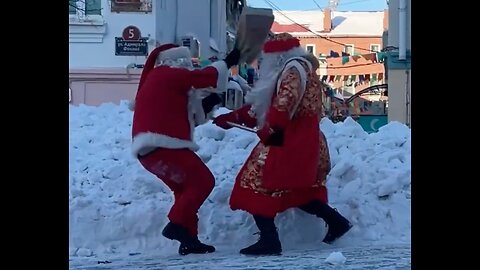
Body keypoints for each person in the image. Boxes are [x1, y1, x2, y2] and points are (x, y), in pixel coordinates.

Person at [213, 33, 352, 255]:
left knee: (255, 183)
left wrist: (272, 127)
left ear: (277, 55)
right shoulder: (301, 69)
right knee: (298, 188)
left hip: (289, 139)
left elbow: (284, 103)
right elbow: (264, 106)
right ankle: (336, 222)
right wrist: (234, 118)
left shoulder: (292, 70)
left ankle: (270, 240)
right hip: (307, 139)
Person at [131, 43, 240, 255]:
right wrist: (227, 63)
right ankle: (176, 224)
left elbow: (180, 115)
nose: (188, 66)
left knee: (184, 189)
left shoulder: (157, 80)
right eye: (185, 61)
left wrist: (207, 106)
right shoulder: (168, 74)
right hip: (164, 145)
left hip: (148, 151)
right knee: (204, 181)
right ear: (176, 60)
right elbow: (204, 78)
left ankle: (189, 240)